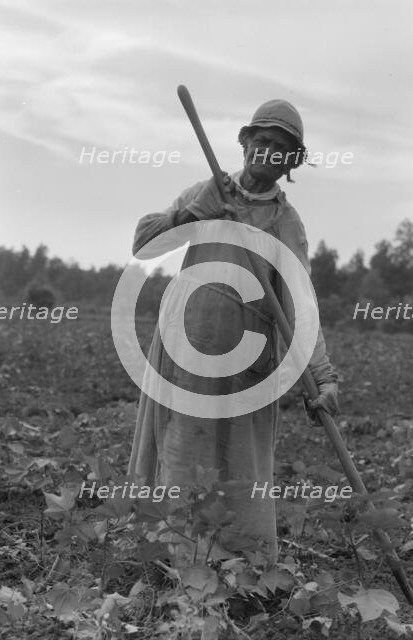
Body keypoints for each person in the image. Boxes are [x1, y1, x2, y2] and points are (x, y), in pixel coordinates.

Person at [127, 99, 339, 564]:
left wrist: (322, 378)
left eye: (281, 148)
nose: (268, 152)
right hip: (186, 347)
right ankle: (175, 562)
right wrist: (190, 215)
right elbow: (144, 246)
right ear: (244, 143)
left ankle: (238, 566)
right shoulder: (209, 193)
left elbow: (301, 308)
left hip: (247, 358)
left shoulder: (286, 223)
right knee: (182, 449)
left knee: (239, 462)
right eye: (261, 140)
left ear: (291, 163)